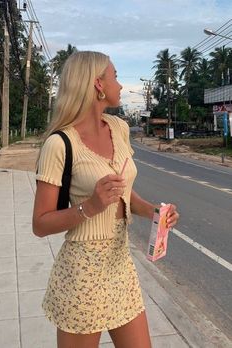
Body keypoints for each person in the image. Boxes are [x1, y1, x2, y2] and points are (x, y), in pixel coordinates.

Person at [33, 51, 179, 348]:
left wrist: (154, 212)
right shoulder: (59, 144)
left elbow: (123, 196)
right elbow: (40, 223)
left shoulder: (120, 129)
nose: (120, 85)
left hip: (120, 265)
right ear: (98, 84)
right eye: (114, 76)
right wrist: (90, 207)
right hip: (82, 272)